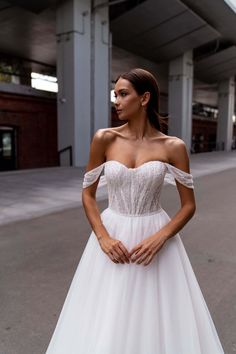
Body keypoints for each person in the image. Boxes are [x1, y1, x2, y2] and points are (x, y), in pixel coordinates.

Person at [45, 68, 224, 353]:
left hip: (154, 238)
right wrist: (103, 237)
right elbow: (88, 195)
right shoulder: (104, 138)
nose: (116, 100)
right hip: (111, 234)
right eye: (115, 94)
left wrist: (161, 237)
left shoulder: (173, 146)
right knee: (105, 316)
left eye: (123, 94)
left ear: (144, 98)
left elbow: (188, 205)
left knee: (157, 318)